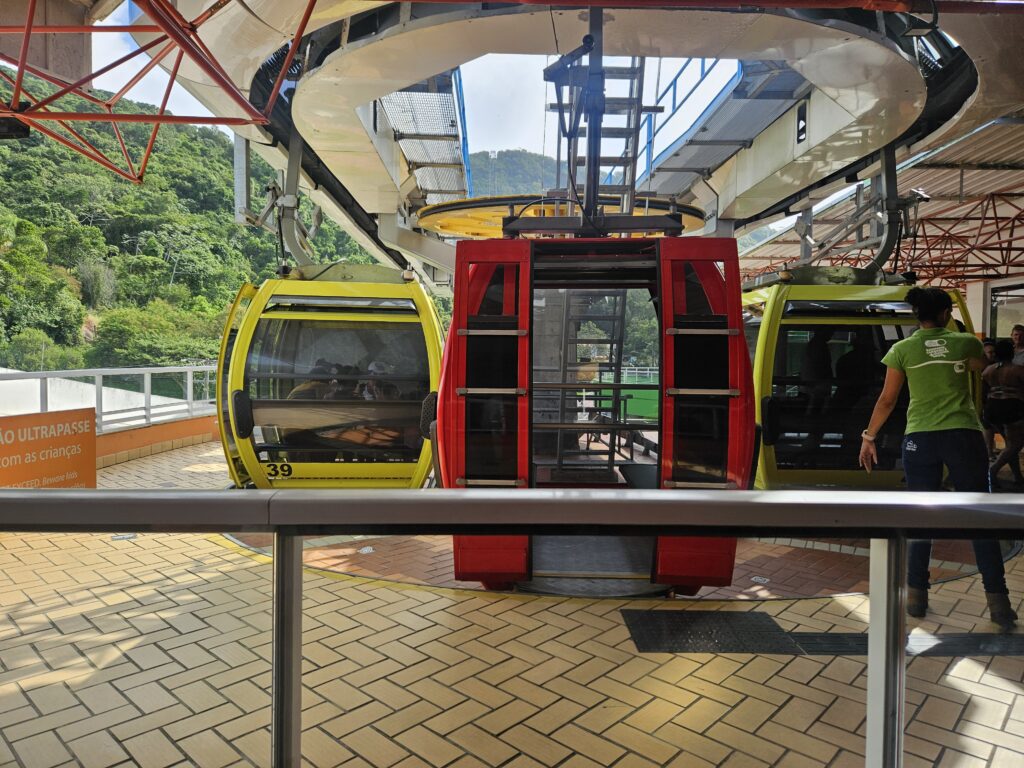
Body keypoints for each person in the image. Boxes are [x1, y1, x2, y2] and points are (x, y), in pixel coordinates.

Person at [859, 287, 1016, 630]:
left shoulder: (901, 350)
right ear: (947, 313)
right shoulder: (965, 343)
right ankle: (998, 603)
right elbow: (981, 366)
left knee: (921, 516)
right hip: (964, 436)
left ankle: (916, 596)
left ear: (917, 314)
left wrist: (868, 437)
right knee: (980, 516)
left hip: (920, 439)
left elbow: (887, 401)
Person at [983, 339, 1024, 487]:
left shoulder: (989, 370)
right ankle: (992, 471)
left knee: (1010, 444)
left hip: (992, 409)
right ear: (1011, 352)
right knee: (1016, 444)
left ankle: (1018, 477)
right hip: (1011, 408)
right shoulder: (1018, 370)